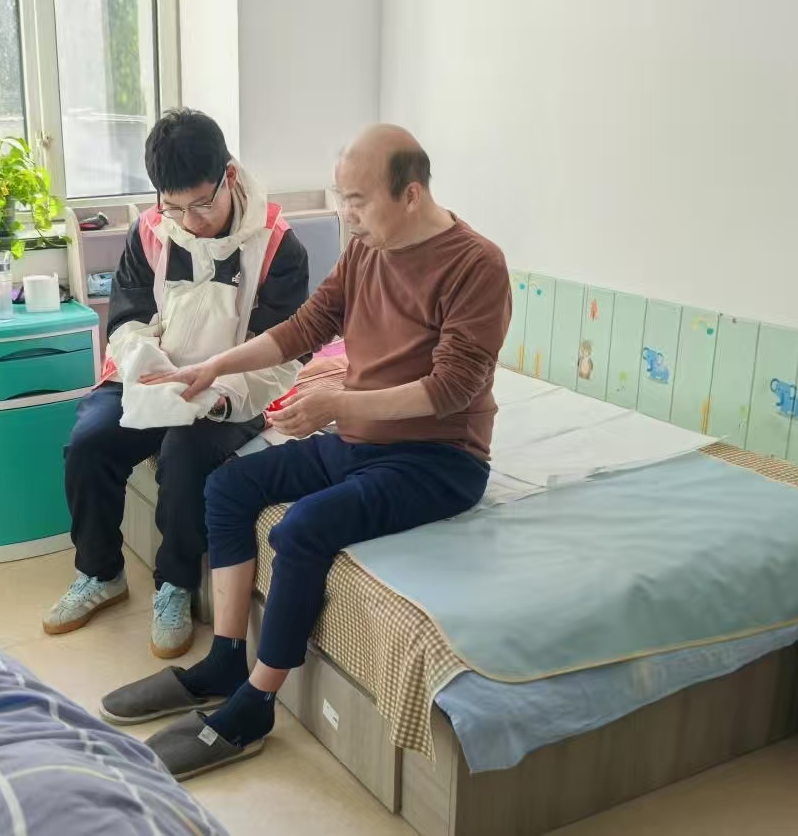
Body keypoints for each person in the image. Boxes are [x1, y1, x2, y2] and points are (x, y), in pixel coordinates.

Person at [98, 124, 512, 778]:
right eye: (340, 198)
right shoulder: (368, 249)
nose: (346, 214)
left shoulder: (475, 264)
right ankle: (225, 660)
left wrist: (338, 405)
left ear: (410, 194)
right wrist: (215, 367)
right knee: (228, 487)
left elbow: (451, 389)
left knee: (301, 530)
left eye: (358, 200)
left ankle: (255, 707)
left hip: (440, 460)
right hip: (362, 439)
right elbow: (306, 328)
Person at [44, 109, 310, 659]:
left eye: (202, 205)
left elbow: (282, 354)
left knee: (185, 454)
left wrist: (217, 396)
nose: (190, 222)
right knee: (89, 442)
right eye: (174, 207)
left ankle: (176, 584)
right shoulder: (149, 232)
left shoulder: (279, 248)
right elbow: (125, 322)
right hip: (155, 372)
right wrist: (150, 367)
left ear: (229, 176)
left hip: (233, 388)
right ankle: (100, 573)